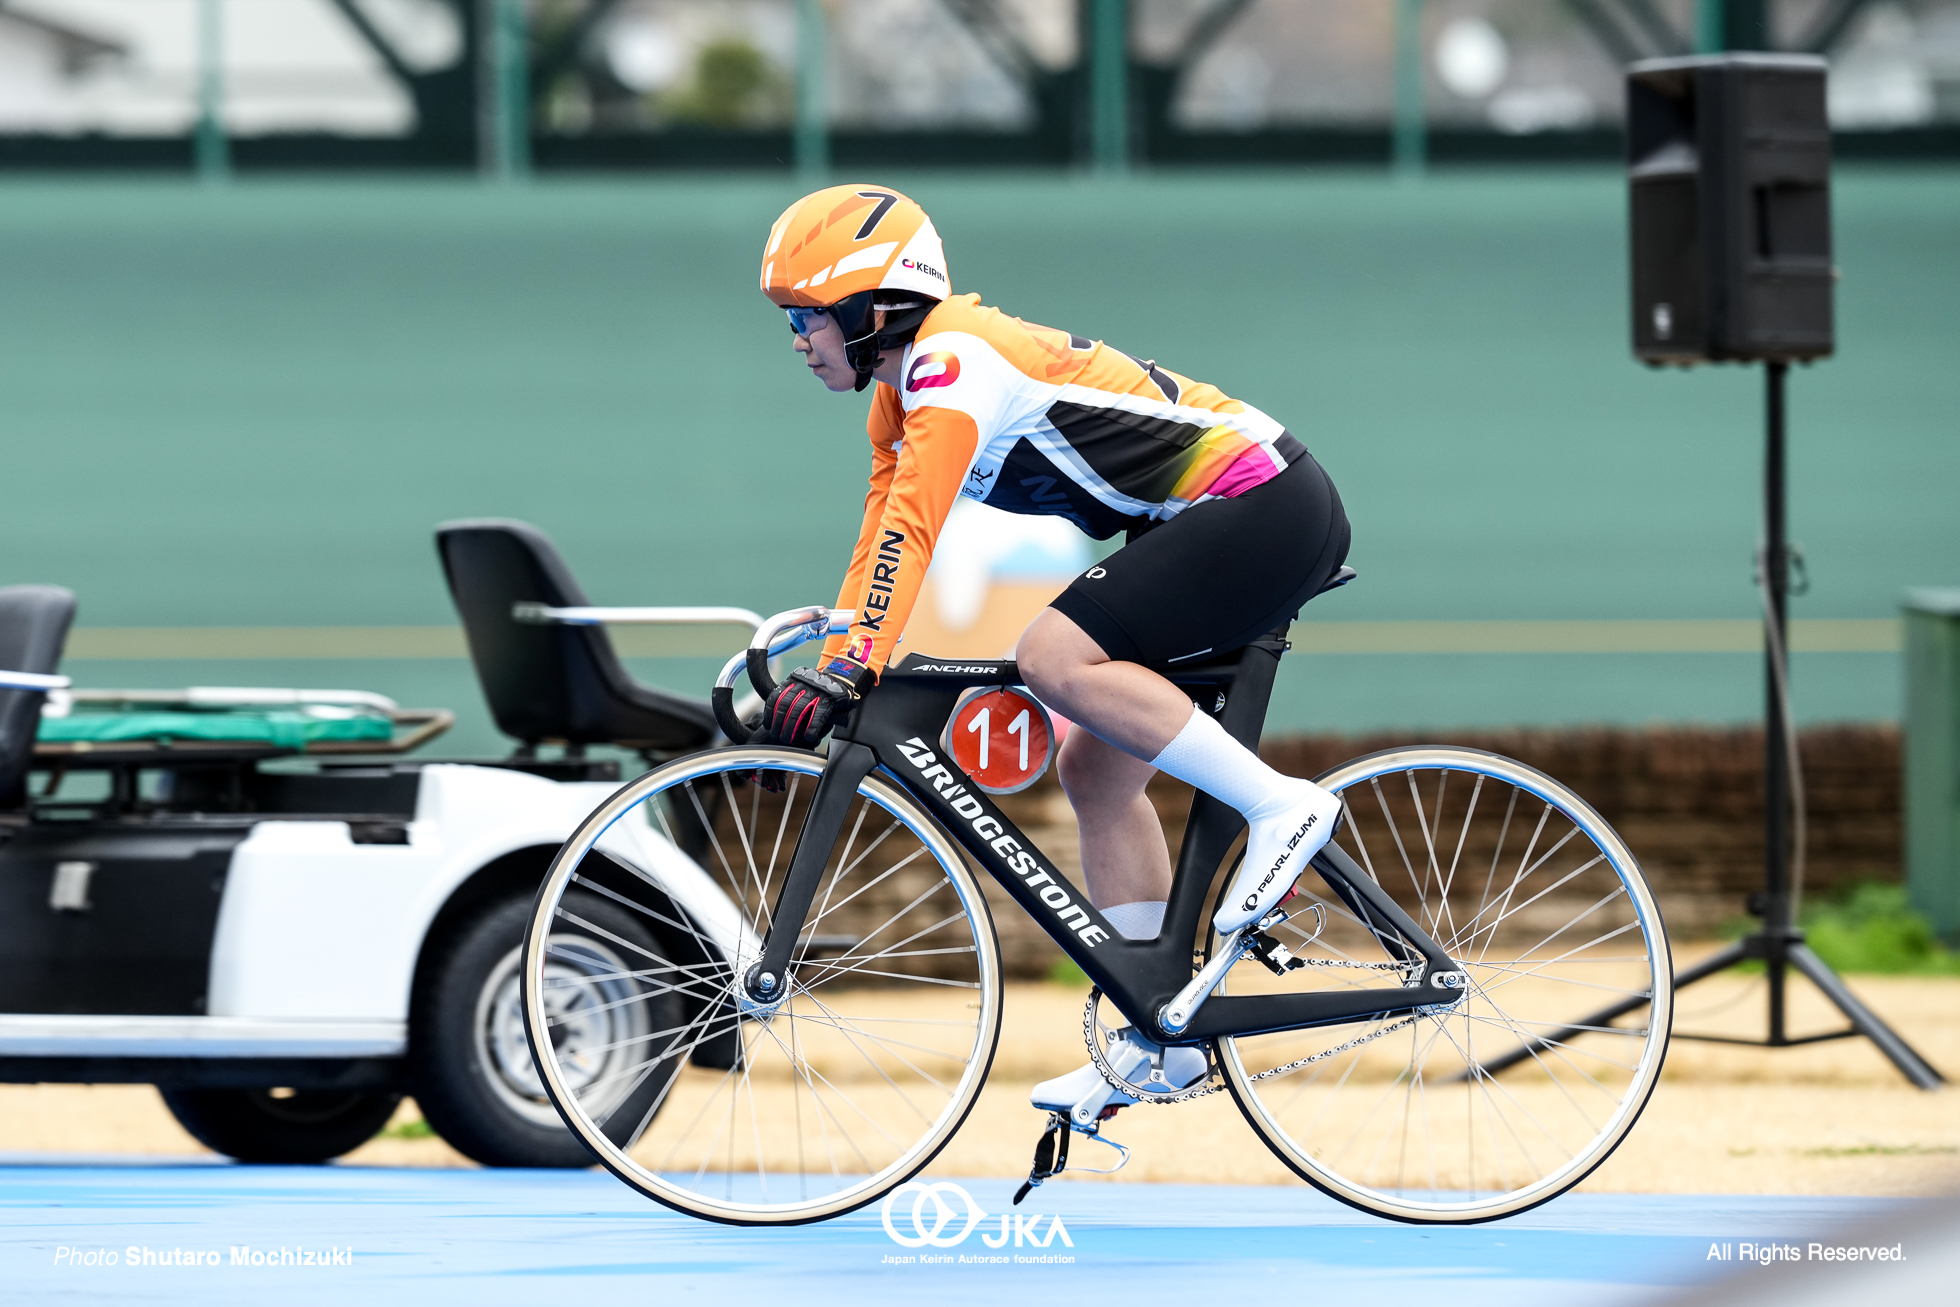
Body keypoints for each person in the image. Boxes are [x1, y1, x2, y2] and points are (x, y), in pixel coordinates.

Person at [755, 184, 1351, 1126]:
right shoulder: (899, 397)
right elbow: (879, 537)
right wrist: (842, 653)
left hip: (1262, 501)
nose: (797, 338)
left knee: (1053, 656)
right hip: (1205, 521)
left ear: (872, 306)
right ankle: (1166, 1027)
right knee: (1094, 768)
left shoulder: (954, 361)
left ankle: (1283, 806)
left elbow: (915, 526)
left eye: (806, 317)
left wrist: (852, 664)